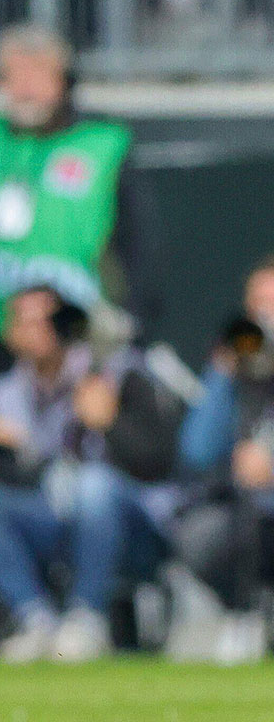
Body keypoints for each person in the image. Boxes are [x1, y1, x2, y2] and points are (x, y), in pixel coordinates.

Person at [0, 285, 181, 663]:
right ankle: (35, 619)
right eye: (23, 320)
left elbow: (161, 461)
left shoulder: (114, 370)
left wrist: (111, 423)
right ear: (9, 332)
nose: (35, 329)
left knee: (94, 485)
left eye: (46, 320)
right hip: (54, 519)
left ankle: (87, 618)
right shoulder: (5, 391)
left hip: (129, 527)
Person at [0, 25, 152, 404]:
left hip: (69, 330)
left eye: (37, 75)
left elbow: (139, 241)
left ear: (63, 80)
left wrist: (134, 315)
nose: (24, 88)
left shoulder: (101, 145)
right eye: (14, 75)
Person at [174, 256, 274, 662]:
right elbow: (196, 451)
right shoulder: (238, 372)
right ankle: (247, 615)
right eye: (260, 309)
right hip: (248, 519)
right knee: (201, 537)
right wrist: (223, 373)